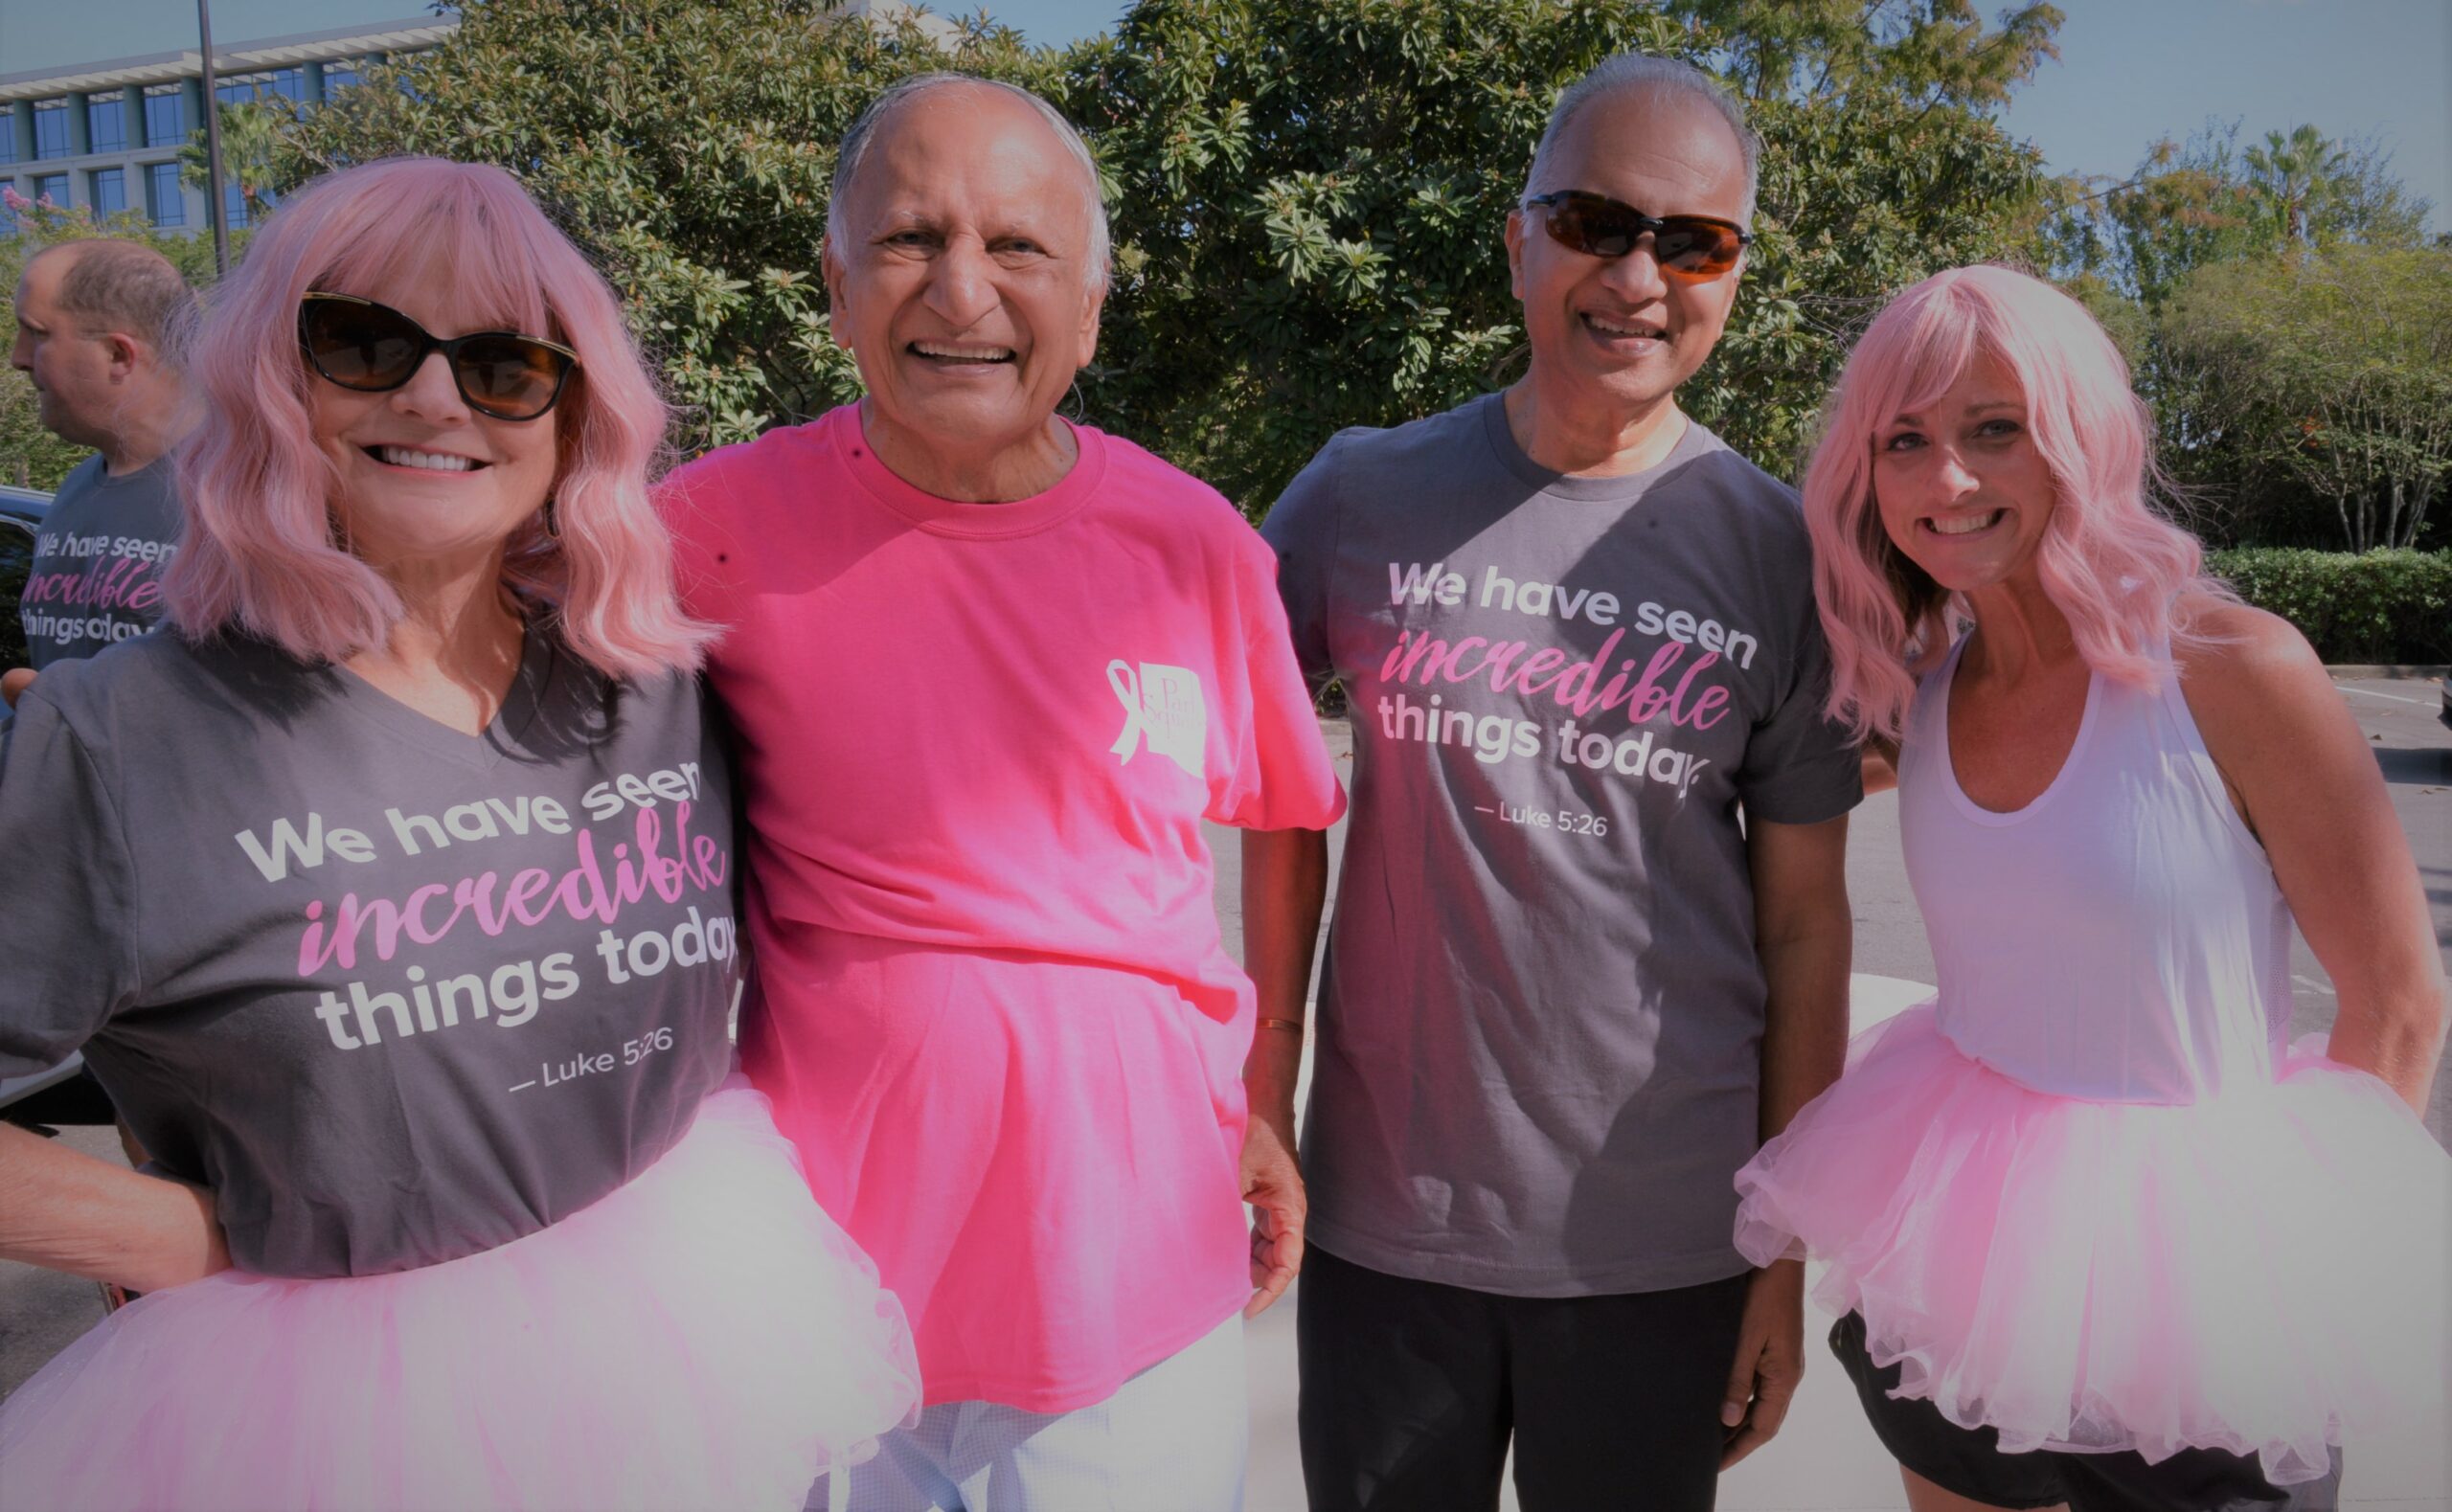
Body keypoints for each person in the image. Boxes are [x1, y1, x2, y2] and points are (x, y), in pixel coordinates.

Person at [0, 156, 920, 1511]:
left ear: (569, 416)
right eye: (365, 343)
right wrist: (200, 1236)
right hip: (330, 1417)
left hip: (698, 1324)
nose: (434, 396)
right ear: (273, 378)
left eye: (503, 363)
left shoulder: (649, 678)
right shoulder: (122, 734)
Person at [657, 73, 1345, 1511]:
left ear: (1090, 307)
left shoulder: (1195, 542)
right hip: (821, 1282)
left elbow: (1285, 811)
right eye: (910, 238)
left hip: (1133, 1281)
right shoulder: (705, 531)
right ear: (836, 286)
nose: (961, 288)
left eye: (1020, 246)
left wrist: (1264, 1093)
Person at [1735, 263, 2450, 1510]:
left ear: (2079, 437)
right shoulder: (1927, 692)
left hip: (2209, 1318)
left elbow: (2396, 1000)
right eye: (1906, 440)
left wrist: (2300, 1278)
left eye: (1993, 429)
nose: (1946, 479)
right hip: (1957, 1275)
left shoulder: (2229, 665)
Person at [1252, 53, 1860, 1511]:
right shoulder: (1356, 493)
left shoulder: (1778, 552)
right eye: (1595, 221)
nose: (1639, 274)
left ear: (1735, 272)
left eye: (1693, 240)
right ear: (1520, 237)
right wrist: (1260, 1096)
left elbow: (1806, 927)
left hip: (1665, 1245)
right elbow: (1244, 778)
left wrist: (1783, 1250)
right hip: (1390, 1229)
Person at [10, 237, 192, 677]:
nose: (18, 358)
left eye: (36, 333)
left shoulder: (248, 492)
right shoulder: (76, 486)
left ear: (117, 354)